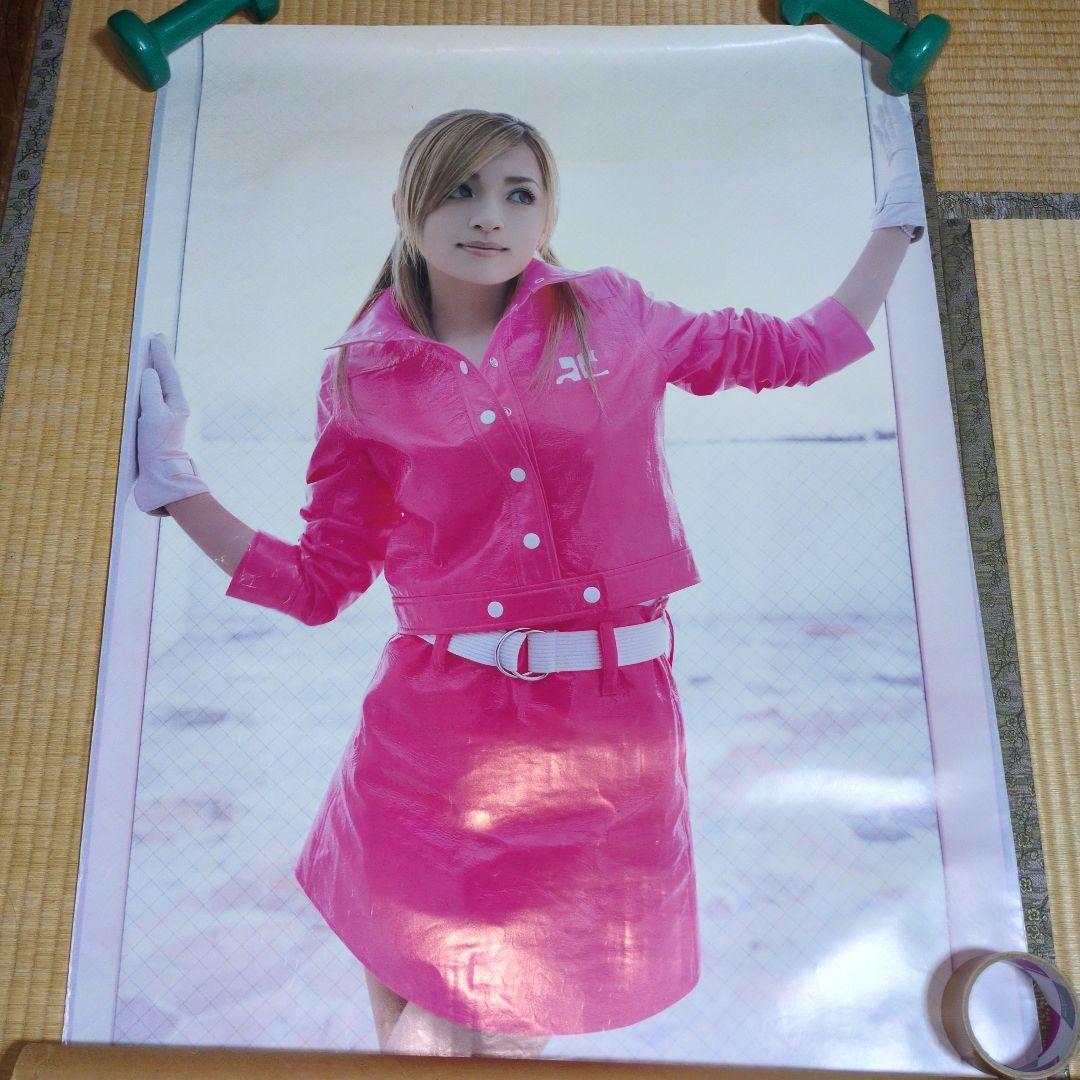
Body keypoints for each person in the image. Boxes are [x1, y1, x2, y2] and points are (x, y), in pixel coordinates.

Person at [133, 101, 925, 1058]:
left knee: (505, 1031)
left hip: (605, 732)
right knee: (420, 1030)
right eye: (461, 190)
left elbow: (798, 351)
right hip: (435, 732)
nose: (489, 216)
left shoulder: (616, 315)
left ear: (549, 215)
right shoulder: (362, 379)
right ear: (408, 204)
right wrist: (179, 491)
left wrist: (897, 227)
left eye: (518, 194)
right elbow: (320, 583)